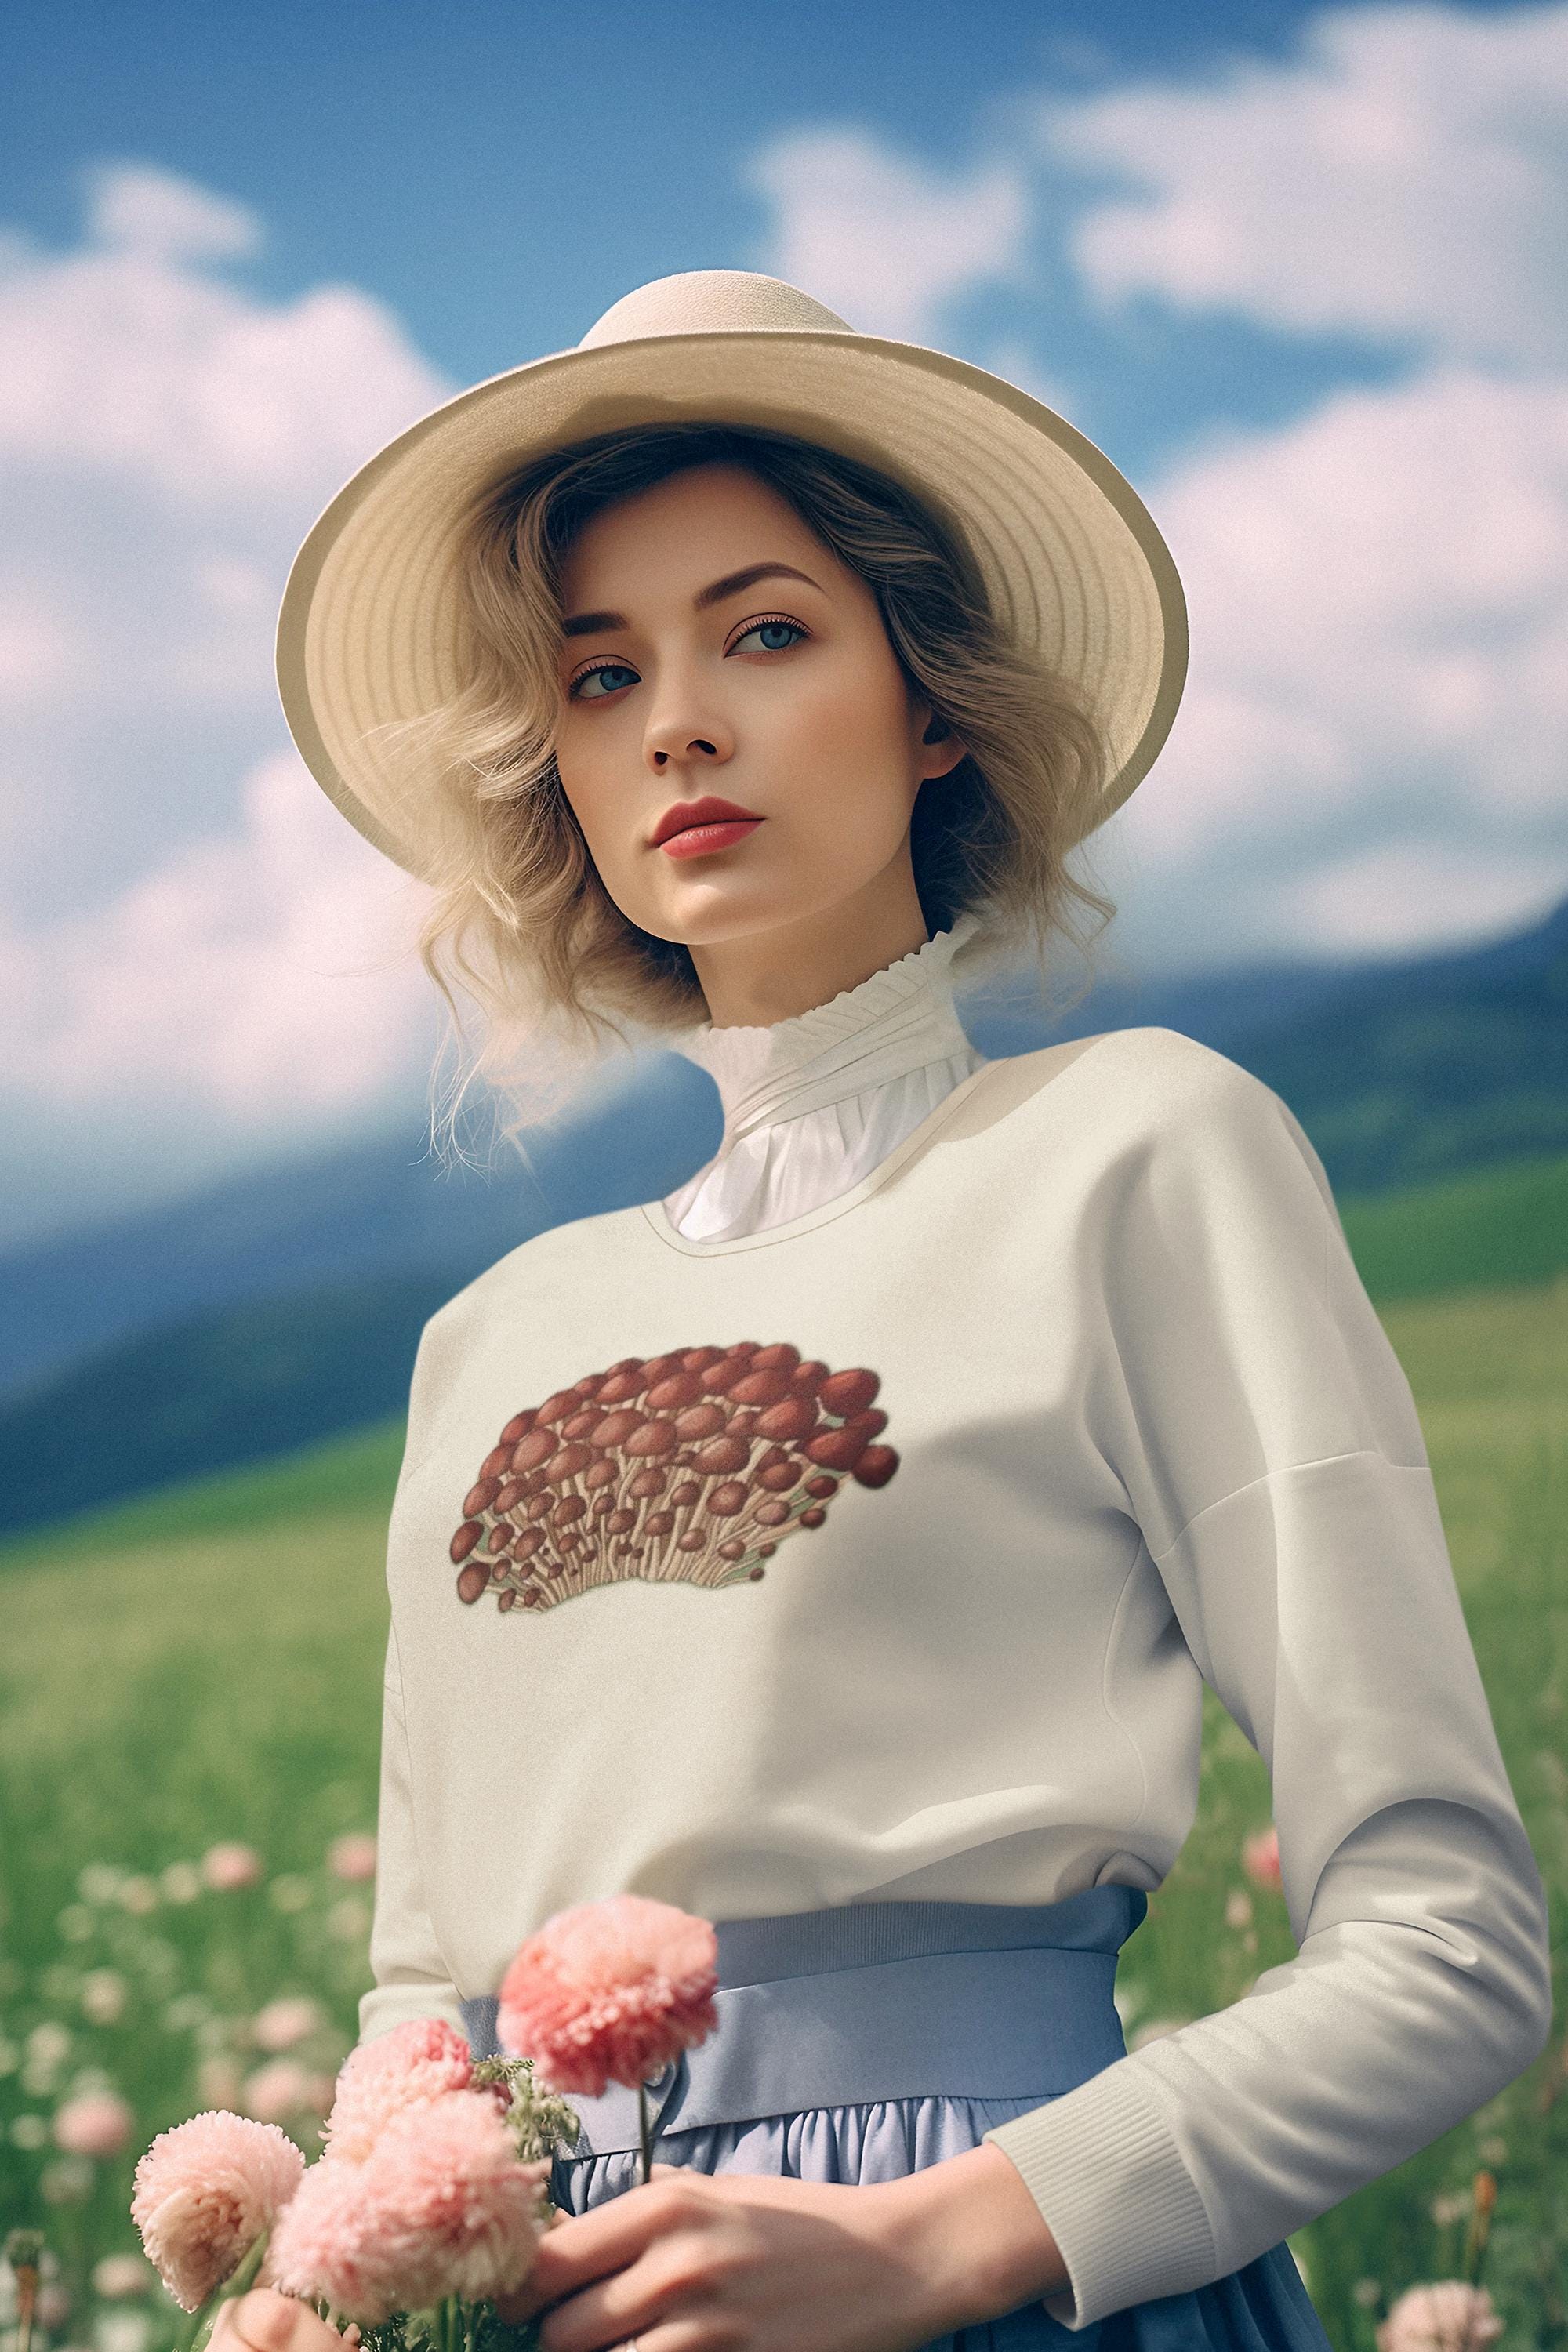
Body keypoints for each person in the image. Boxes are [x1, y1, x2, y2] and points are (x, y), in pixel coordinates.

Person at [223, 271, 1551, 2352]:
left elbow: (1452, 1946)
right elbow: (423, 1991)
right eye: (595, 675)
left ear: (932, 702)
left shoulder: (1138, 1150)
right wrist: (342, 2258)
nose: (674, 720)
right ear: (556, 767)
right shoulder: (485, 1335)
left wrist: (947, 2241)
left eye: (765, 631)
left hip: (1014, 2293)